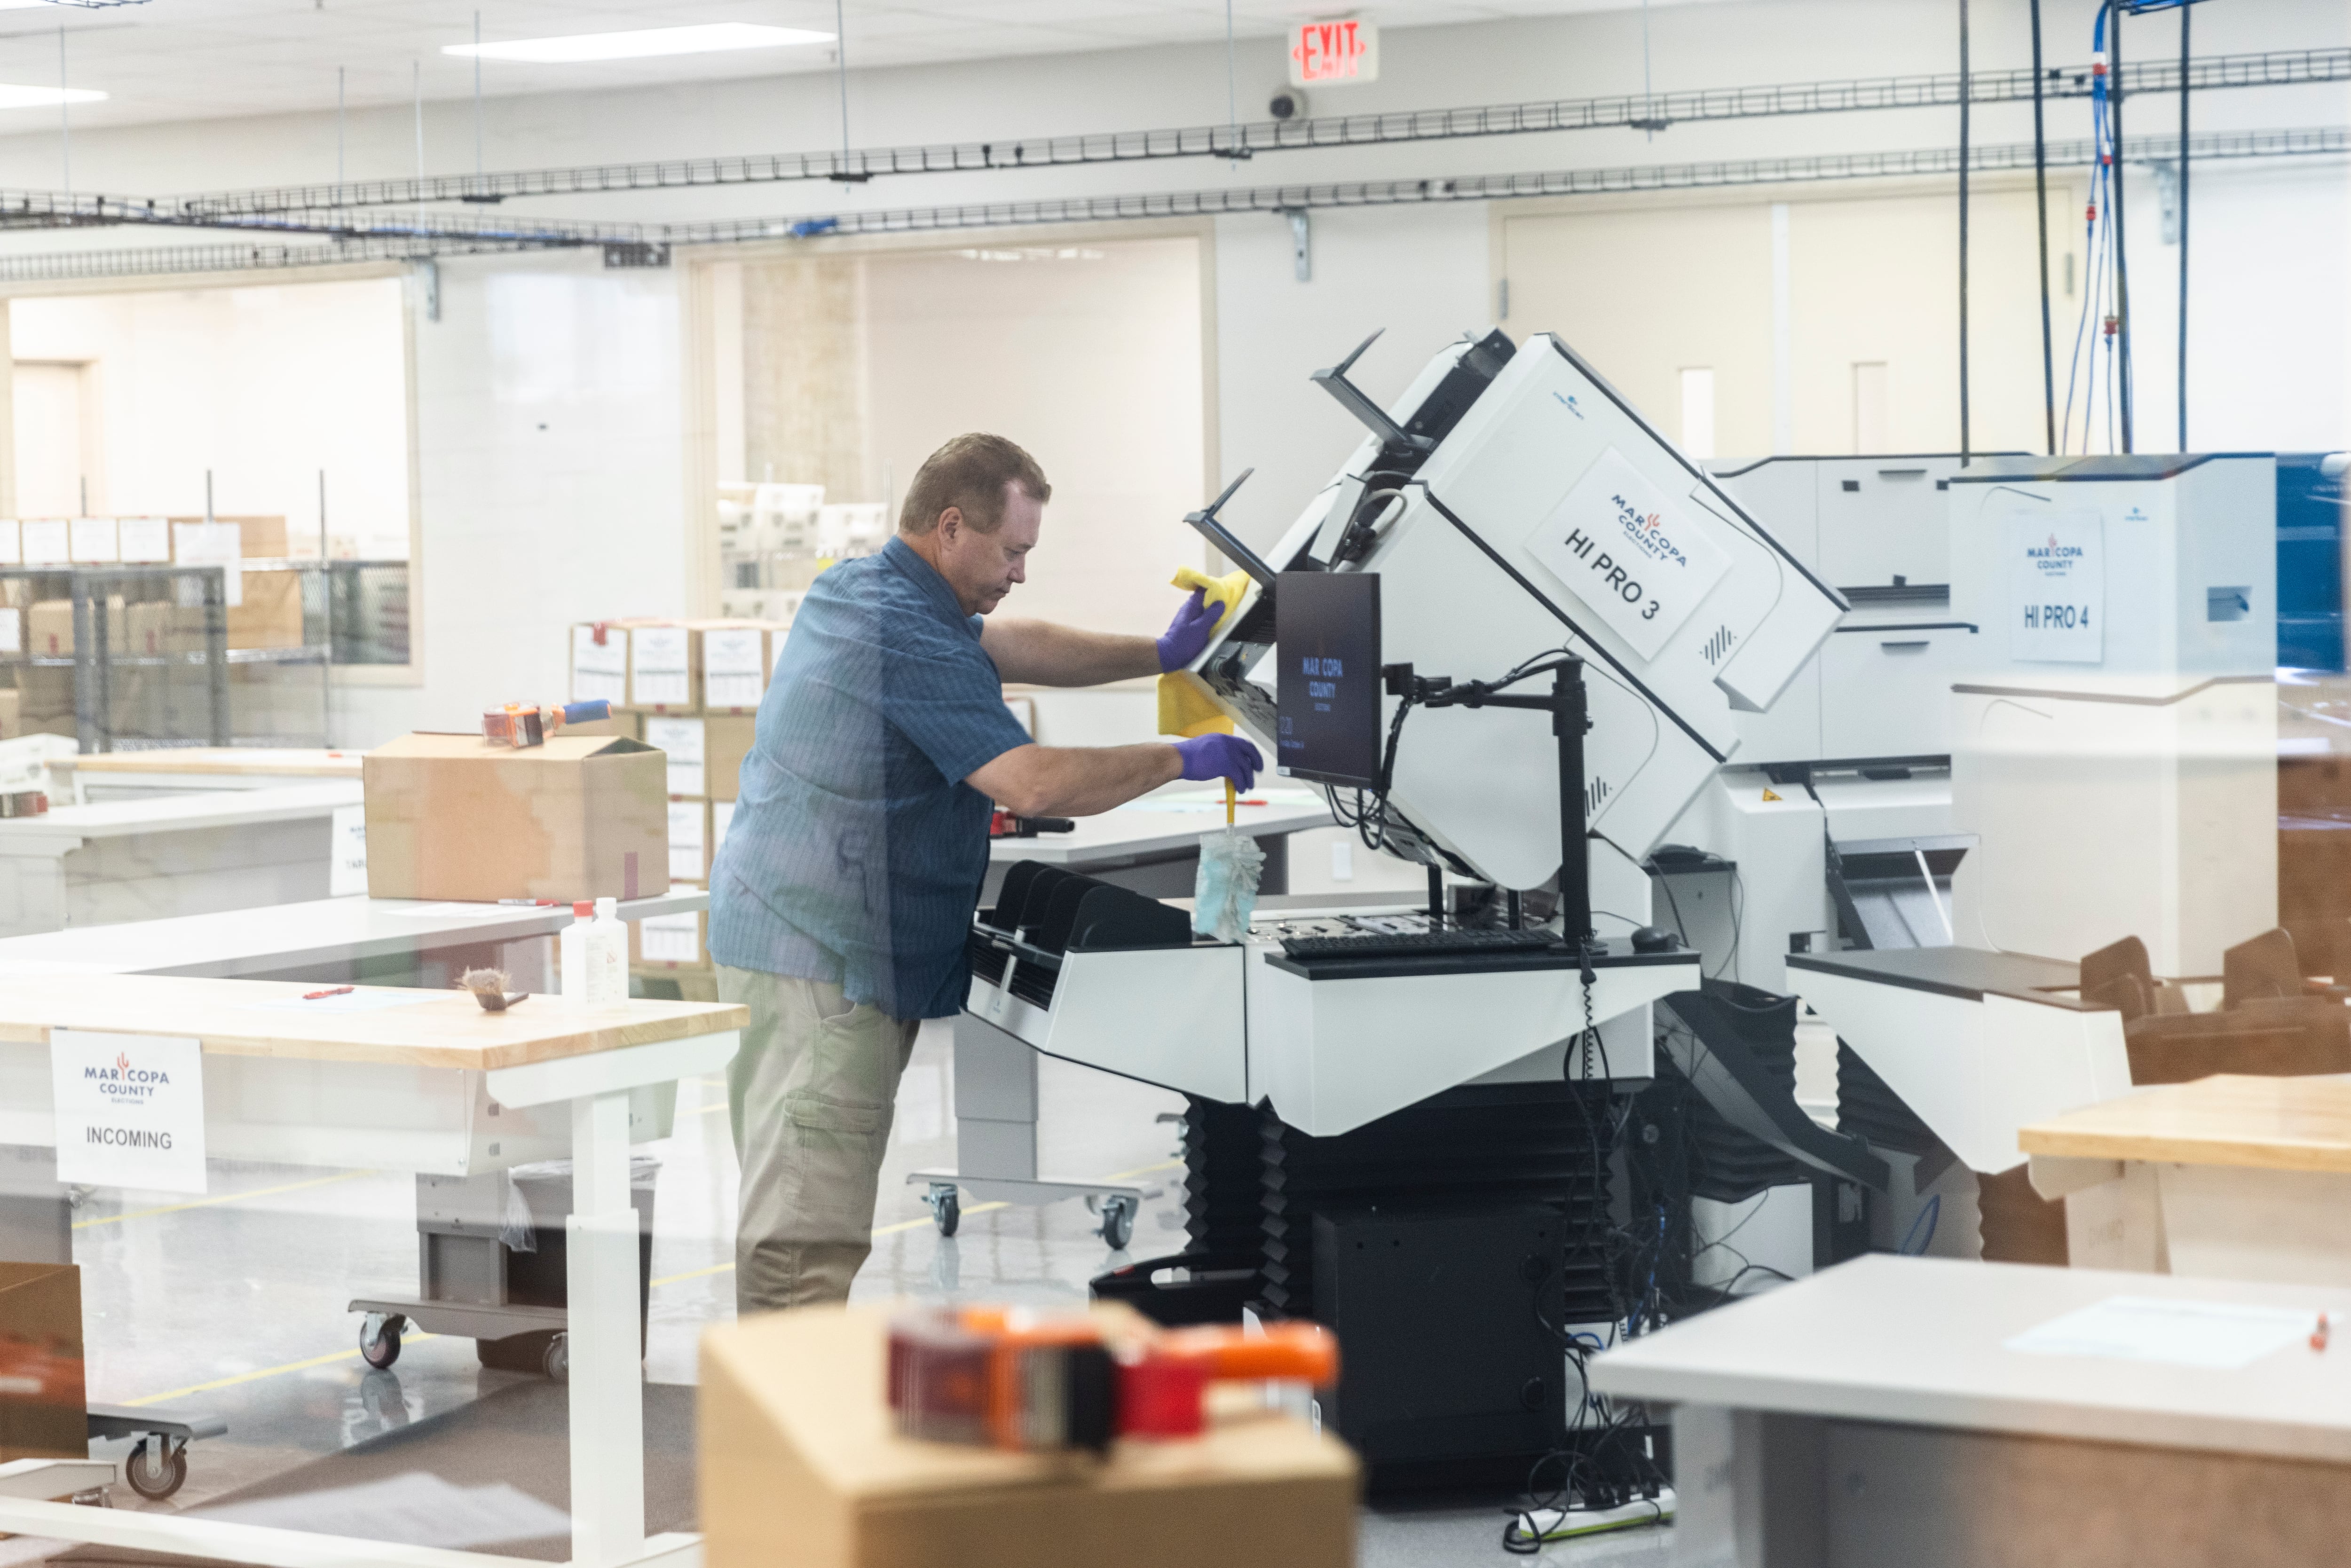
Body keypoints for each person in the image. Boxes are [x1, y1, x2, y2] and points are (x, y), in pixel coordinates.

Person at [706, 432, 1262, 1315]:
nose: (1021, 572)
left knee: (806, 1212)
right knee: (805, 1238)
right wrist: (1176, 757)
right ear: (953, 527)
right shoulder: (903, 629)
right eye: (1013, 551)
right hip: (825, 960)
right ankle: (784, 1442)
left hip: (794, 938)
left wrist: (1159, 655)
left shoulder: (869, 589)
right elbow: (1029, 781)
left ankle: (792, 1430)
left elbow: (1015, 645)